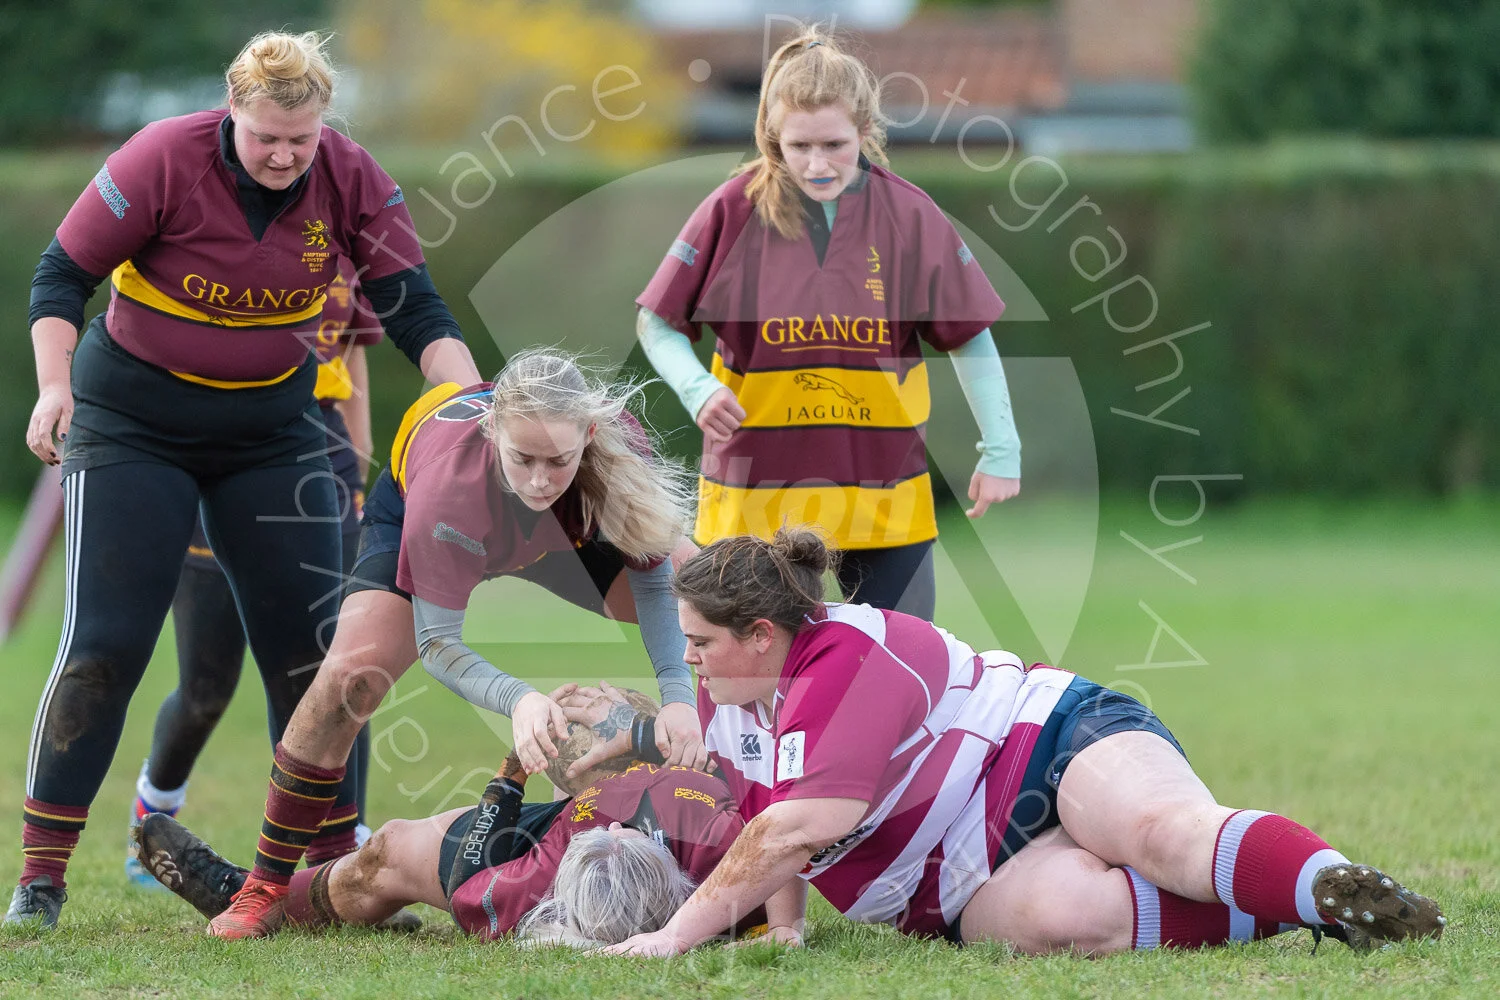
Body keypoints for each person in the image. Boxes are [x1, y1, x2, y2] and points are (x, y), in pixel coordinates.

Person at [9, 30, 484, 930]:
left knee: (326, 661)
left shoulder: (352, 178)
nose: (281, 155)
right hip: (129, 427)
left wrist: (470, 408)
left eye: (299, 140)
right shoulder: (161, 158)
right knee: (106, 646)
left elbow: (415, 307)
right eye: (265, 135)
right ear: (233, 112)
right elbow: (60, 275)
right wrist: (54, 389)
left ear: (323, 126)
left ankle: (342, 877)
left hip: (273, 433)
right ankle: (41, 876)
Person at [572, 529, 1446, 957]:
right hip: (953, 873)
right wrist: (786, 932)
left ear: (762, 633)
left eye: (700, 642)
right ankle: (1298, 904)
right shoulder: (735, 704)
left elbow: (800, 825)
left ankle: (1330, 886)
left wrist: (669, 939)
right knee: (1068, 920)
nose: (685, 660)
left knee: (1162, 834)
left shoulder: (850, 656)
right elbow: (772, 828)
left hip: (1039, 744)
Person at [206, 349, 707, 939]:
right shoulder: (450, 485)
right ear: (493, 429)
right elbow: (438, 643)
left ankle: (739, 804)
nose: (541, 479)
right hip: (451, 518)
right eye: (523, 459)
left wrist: (678, 696)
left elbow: (654, 576)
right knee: (351, 678)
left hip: (556, 534)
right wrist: (520, 699)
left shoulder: (613, 449)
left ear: (589, 435)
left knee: (707, 596)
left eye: (559, 460)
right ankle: (263, 887)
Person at [636, 28, 1021, 620]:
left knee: (902, 672)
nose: (817, 164)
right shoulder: (730, 210)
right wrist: (697, 388)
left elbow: (970, 334)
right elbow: (657, 322)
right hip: (753, 498)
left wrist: (1001, 449)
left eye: (836, 145)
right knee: (747, 675)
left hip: (884, 495)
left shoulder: (910, 215)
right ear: (773, 139)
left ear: (865, 133)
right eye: (799, 146)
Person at [124, 258, 382, 887]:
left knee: (340, 670)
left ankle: (342, 840)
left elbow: (349, 356)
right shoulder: (222, 231)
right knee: (207, 686)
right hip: (227, 457)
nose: (290, 156)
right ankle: (153, 810)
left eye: (306, 148)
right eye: (277, 147)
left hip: (324, 464)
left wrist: (361, 462)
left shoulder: (349, 232)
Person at [134, 693, 752, 947]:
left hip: (538, 846)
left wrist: (511, 772)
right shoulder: (712, 836)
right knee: (611, 713)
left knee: (388, 853)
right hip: (636, 834)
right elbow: (782, 844)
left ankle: (258, 895)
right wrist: (646, 727)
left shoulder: (532, 880)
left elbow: (468, 872)